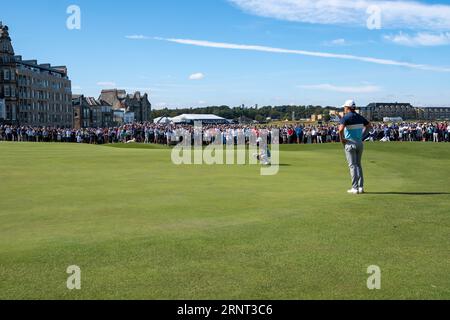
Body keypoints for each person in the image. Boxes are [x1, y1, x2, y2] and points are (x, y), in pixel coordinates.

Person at [339, 100, 371, 195]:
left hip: (350, 143)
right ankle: (360, 187)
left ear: (347, 108)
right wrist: (362, 136)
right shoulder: (359, 117)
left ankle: (355, 188)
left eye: (344, 107)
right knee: (358, 165)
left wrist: (342, 140)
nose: (344, 109)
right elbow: (369, 126)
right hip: (359, 143)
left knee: (352, 166)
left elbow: (340, 130)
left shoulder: (345, 117)